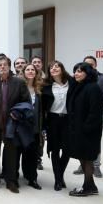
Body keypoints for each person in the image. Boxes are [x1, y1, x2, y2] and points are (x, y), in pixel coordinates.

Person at [0, 55, 30, 193]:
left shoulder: (19, 83)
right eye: (0, 65)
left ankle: (11, 181)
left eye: (5, 64)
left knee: (11, 154)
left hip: (12, 124)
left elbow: (26, 102)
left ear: (9, 67)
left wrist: (18, 114)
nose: (2, 67)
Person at [67, 62, 103, 197]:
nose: (76, 73)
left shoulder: (93, 88)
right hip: (79, 130)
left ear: (88, 73)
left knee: (87, 158)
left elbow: (95, 112)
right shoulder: (80, 86)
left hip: (88, 132)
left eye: (80, 71)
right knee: (83, 157)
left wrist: (85, 129)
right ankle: (92, 185)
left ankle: (87, 187)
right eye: (75, 71)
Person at [73, 55, 103, 178]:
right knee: (82, 144)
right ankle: (83, 165)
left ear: (95, 65)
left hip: (96, 117)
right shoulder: (78, 79)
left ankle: (96, 166)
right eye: (85, 64)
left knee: (94, 142)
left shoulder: (102, 79)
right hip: (80, 118)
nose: (88, 66)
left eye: (91, 64)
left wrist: (95, 106)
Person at [42, 60, 71, 191]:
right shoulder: (46, 86)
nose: (54, 69)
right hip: (53, 120)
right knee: (54, 150)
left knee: (67, 150)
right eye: (51, 68)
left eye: (56, 66)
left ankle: (60, 175)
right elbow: (42, 107)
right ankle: (58, 180)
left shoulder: (71, 84)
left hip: (68, 120)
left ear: (62, 68)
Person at [17, 64, 43, 189]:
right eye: (28, 69)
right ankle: (13, 177)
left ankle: (32, 178)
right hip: (21, 125)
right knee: (18, 153)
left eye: (33, 69)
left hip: (35, 127)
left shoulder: (39, 88)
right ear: (23, 72)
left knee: (32, 154)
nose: (31, 71)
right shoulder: (19, 87)